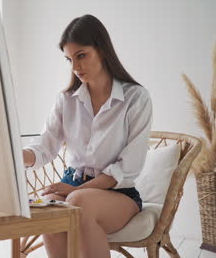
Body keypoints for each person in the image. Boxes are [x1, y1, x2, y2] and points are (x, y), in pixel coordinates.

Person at [22, 14, 153, 258]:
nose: (75, 67)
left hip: (118, 194)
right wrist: (15, 156)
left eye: (81, 55)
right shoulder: (66, 100)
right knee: (48, 210)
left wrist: (72, 191)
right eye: (69, 59)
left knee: (79, 202)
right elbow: (44, 147)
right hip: (72, 184)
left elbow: (127, 169)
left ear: (102, 50)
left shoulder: (136, 98)